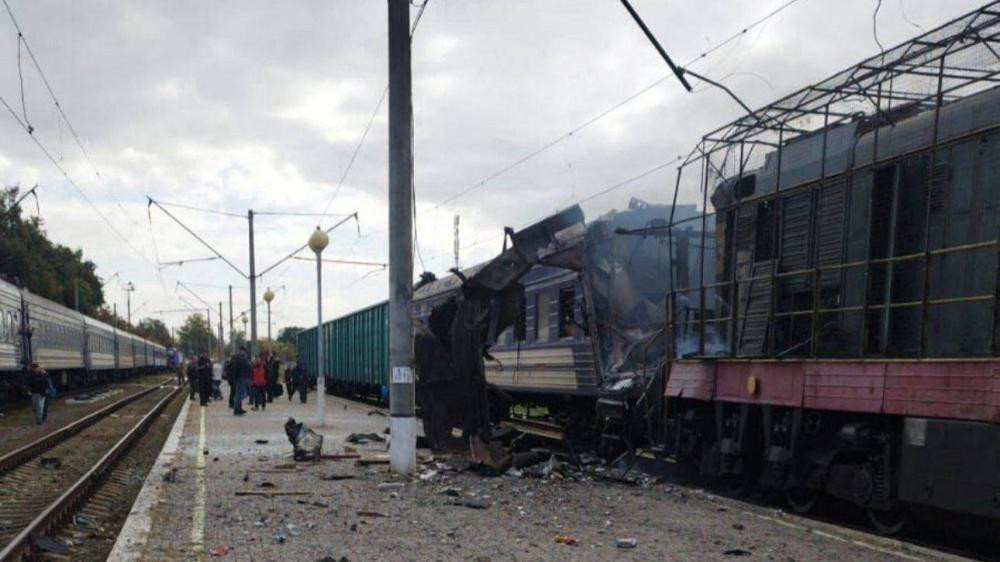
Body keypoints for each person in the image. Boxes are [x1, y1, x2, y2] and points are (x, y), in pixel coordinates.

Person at [231, 347, 251, 416]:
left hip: (242, 377)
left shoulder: (239, 357)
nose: (245, 353)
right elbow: (245, 365)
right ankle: (237, 409)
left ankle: (239, 408)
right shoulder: (240, 358)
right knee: (241, 394)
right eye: (244, 351)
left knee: (240, 393)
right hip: (240, 377)